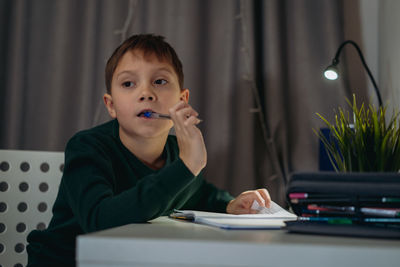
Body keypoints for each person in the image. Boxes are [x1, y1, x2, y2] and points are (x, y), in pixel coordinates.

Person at [27, 34, 271, 266]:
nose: (146, 94)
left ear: (182, 100)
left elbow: (199, 194)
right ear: (111, 105)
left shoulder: (178, 150)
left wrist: (230, 204)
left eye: (160, 81)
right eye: (128, 83)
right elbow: (100, 222)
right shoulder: (87, 148)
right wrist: (186, 166)